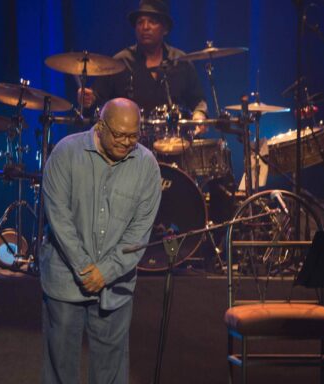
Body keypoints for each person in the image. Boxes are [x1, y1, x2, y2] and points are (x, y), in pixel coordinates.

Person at [39, 98, 162, 384]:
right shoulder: (66, 152)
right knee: (60, 367)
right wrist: (85, 269)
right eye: (119, 134)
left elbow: (140, 231)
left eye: (133, 135)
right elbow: (59, 218)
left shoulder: (147, 166)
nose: (126, 142)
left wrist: (106, 272)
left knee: (111, 370)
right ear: (100, 124)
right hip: (65, 277)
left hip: (115, 284)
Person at [79, 0, 208, 132]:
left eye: (152, 22)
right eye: (140, 22)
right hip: (128, 145)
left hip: (174, 142)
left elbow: (198, 100)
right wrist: (88, 99)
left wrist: (200, 114)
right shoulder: (120, 62)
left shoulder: (181, 62)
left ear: (165, 29)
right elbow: (96, 101)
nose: (145, 27)